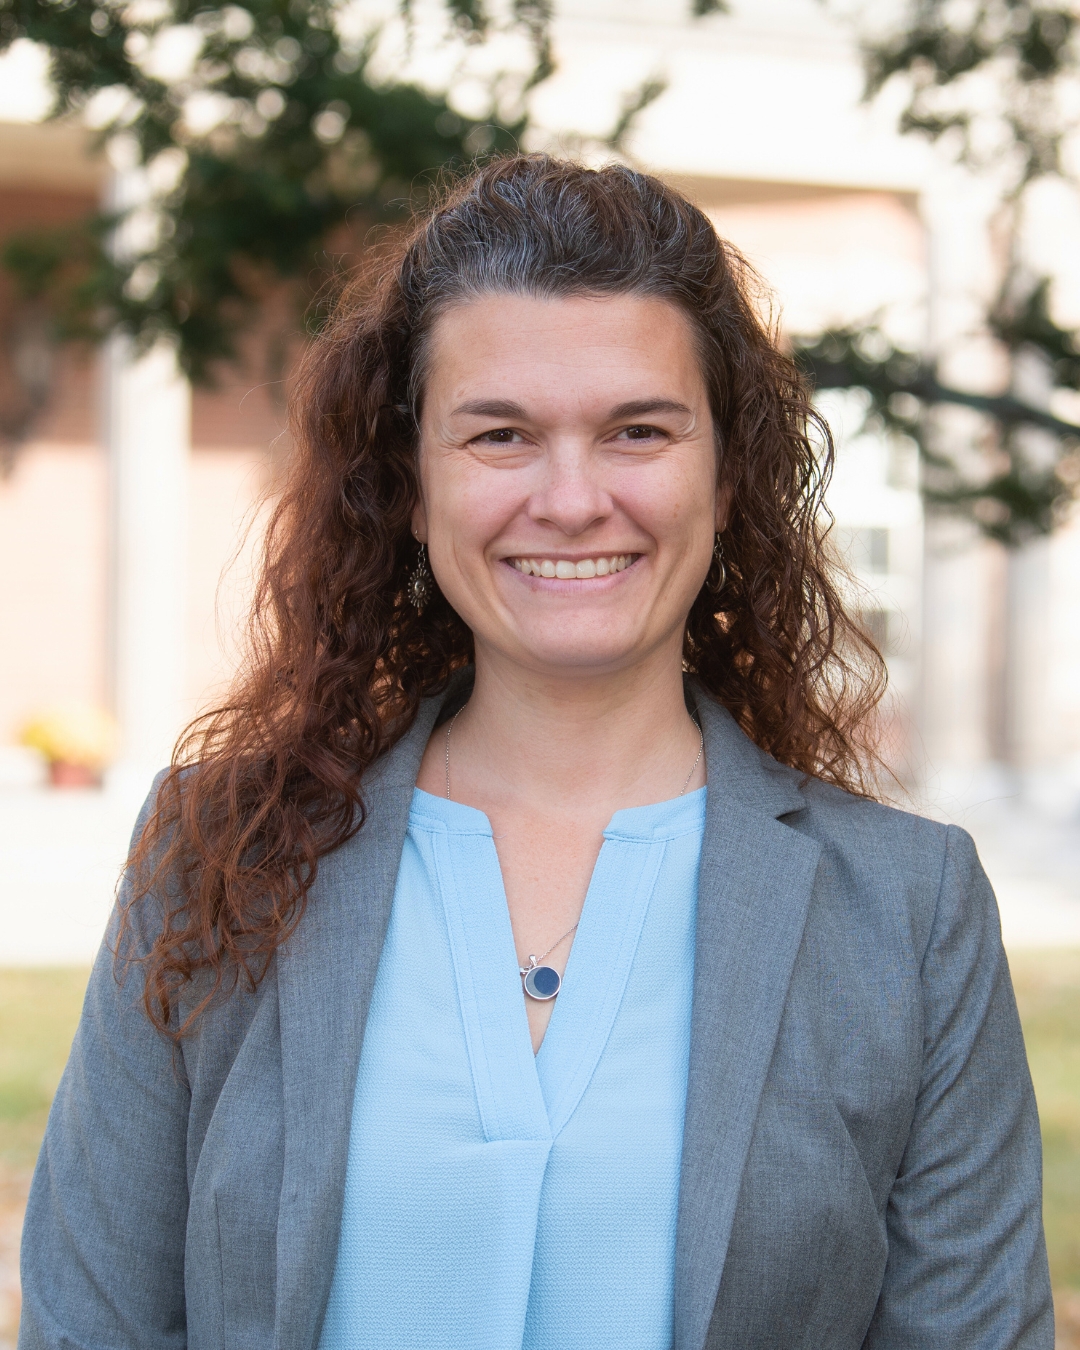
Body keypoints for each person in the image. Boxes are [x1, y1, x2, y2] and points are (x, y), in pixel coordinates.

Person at [19, 155, 1051, 1350]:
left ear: (726, 476)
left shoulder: (909, 915)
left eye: (638, 431)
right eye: (501, 434)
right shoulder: (220, 857)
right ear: (411, 483)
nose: (570, 499)